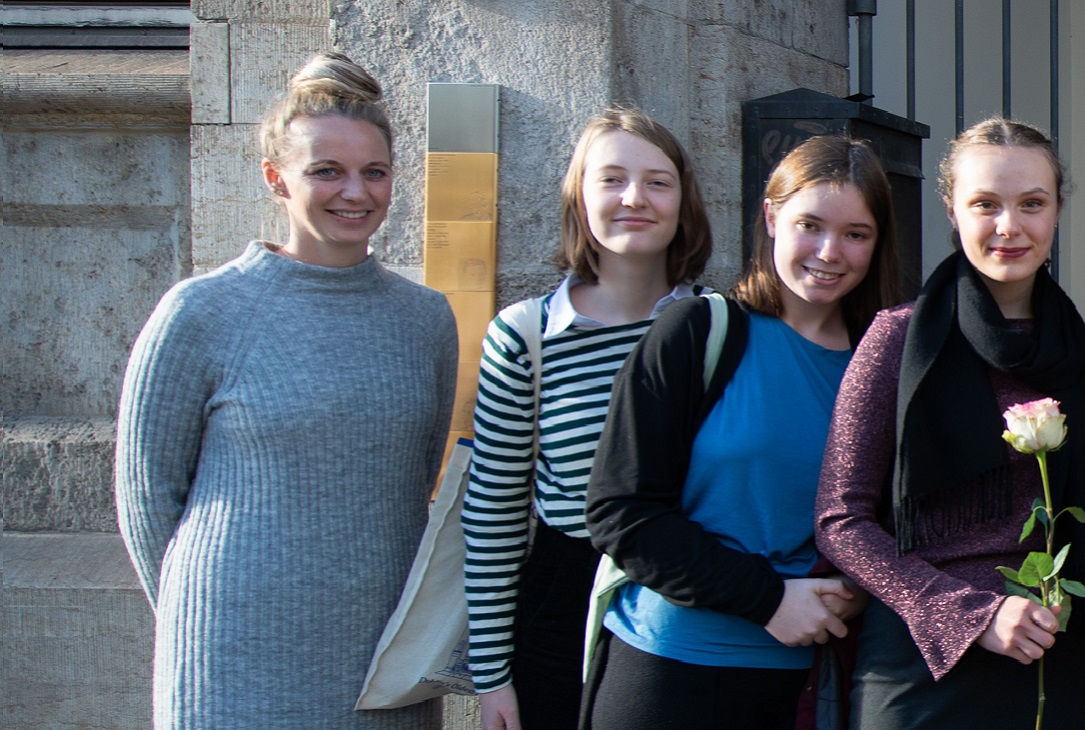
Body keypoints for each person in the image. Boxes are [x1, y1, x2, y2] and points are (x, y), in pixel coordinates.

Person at [112, 51, 457, 728]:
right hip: (232, 659)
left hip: (381, 663)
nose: (354, 192)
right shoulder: (202, 312)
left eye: (374, 172)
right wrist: (207, 619)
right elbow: (146, 496)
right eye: (326, 171)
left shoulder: (425, 321)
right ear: (276, 178)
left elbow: (411, 477)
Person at [582, 134, 903, 728]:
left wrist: (866, 585)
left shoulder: (887, 364)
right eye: (811, 224)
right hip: (671, 672)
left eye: (856, 234)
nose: (830, 252)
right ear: (771, 215)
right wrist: (768, 599)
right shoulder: (697, 332)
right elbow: (620, 512)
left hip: (817, 683)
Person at [812, 117, 1085, 728]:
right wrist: (968, 614)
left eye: (1032, 204)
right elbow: (840, 520)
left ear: (1057, 210)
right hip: (922, 658)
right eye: (985, 204)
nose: (1009, 226)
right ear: (951, 208)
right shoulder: (899, 339)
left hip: (1050, 656)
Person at [461, 107, 717, 730]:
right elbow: (493, 511)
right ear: (578, 195)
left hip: (692, 597)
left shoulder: (720, 329)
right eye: (611, 179)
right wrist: (492, 676)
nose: (635, 197)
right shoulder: (525, 336)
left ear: (684, 202)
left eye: (658, 181)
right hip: (561, 604)